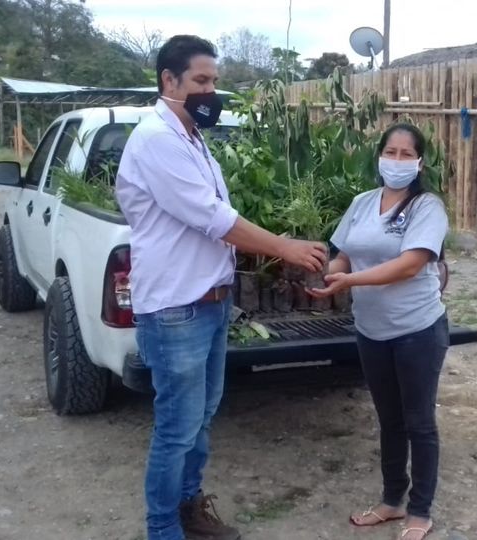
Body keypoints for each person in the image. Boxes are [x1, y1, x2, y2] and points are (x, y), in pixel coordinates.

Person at [115, 35, 328, 540]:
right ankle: (164, 529)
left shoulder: (193, 139)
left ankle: (190, 511)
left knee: (201, 419)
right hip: (176, 310)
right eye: (201, 81)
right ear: (169, 81)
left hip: (209, 304)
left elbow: (215, 221)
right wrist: (284, 247)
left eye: (214, 81)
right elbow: (213, 217)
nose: (211, 92)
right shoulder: (157, 139)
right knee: (177, 429)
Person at [308, 123, 450, 540]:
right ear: (380, 156)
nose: (397, 160)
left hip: (417, 330)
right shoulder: (362, 203)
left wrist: (349, 282)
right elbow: (344, 256)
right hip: (370, 331)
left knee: (419, 421)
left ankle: (420, 511)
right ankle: (392, 501)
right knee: (389, 420)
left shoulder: (427, 207)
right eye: (391, 152)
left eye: (407, 154)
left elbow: (410, 264)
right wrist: (324, 275)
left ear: (419, 163)